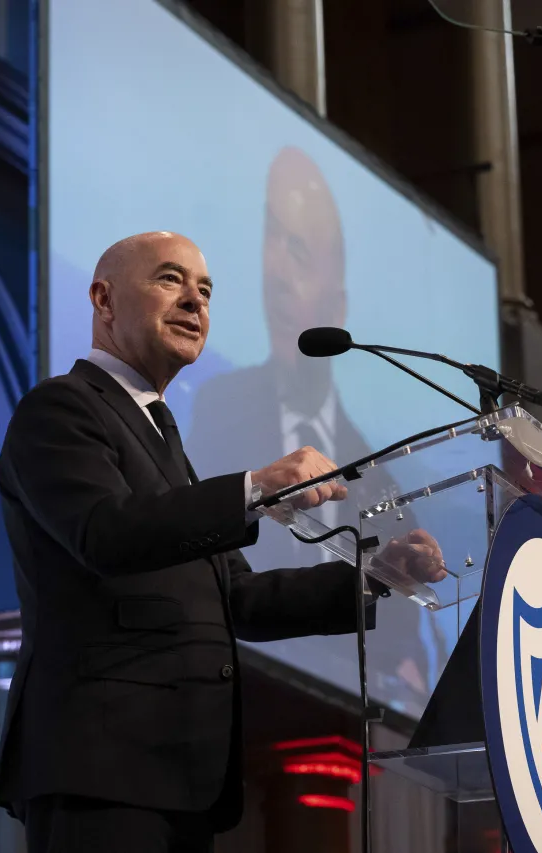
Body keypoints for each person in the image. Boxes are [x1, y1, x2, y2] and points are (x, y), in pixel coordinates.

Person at [0, 231, 444, 853]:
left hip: (182, 775)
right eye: (170, 280)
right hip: (102, 765)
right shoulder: (61, 409)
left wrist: (375, 576)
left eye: (205, 290)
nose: (195, 302)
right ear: (103, 298)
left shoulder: (162, 441)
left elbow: (241, 597)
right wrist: (254, 489)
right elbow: (104, 532)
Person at [189, 147, 434, 708]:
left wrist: (404, 638)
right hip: (234, 687)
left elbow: (405, 645)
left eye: (298, 252)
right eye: (272, 240)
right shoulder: (218, 407)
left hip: (345, 713)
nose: (276, 272)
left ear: (338, 307)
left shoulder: (377, 474)